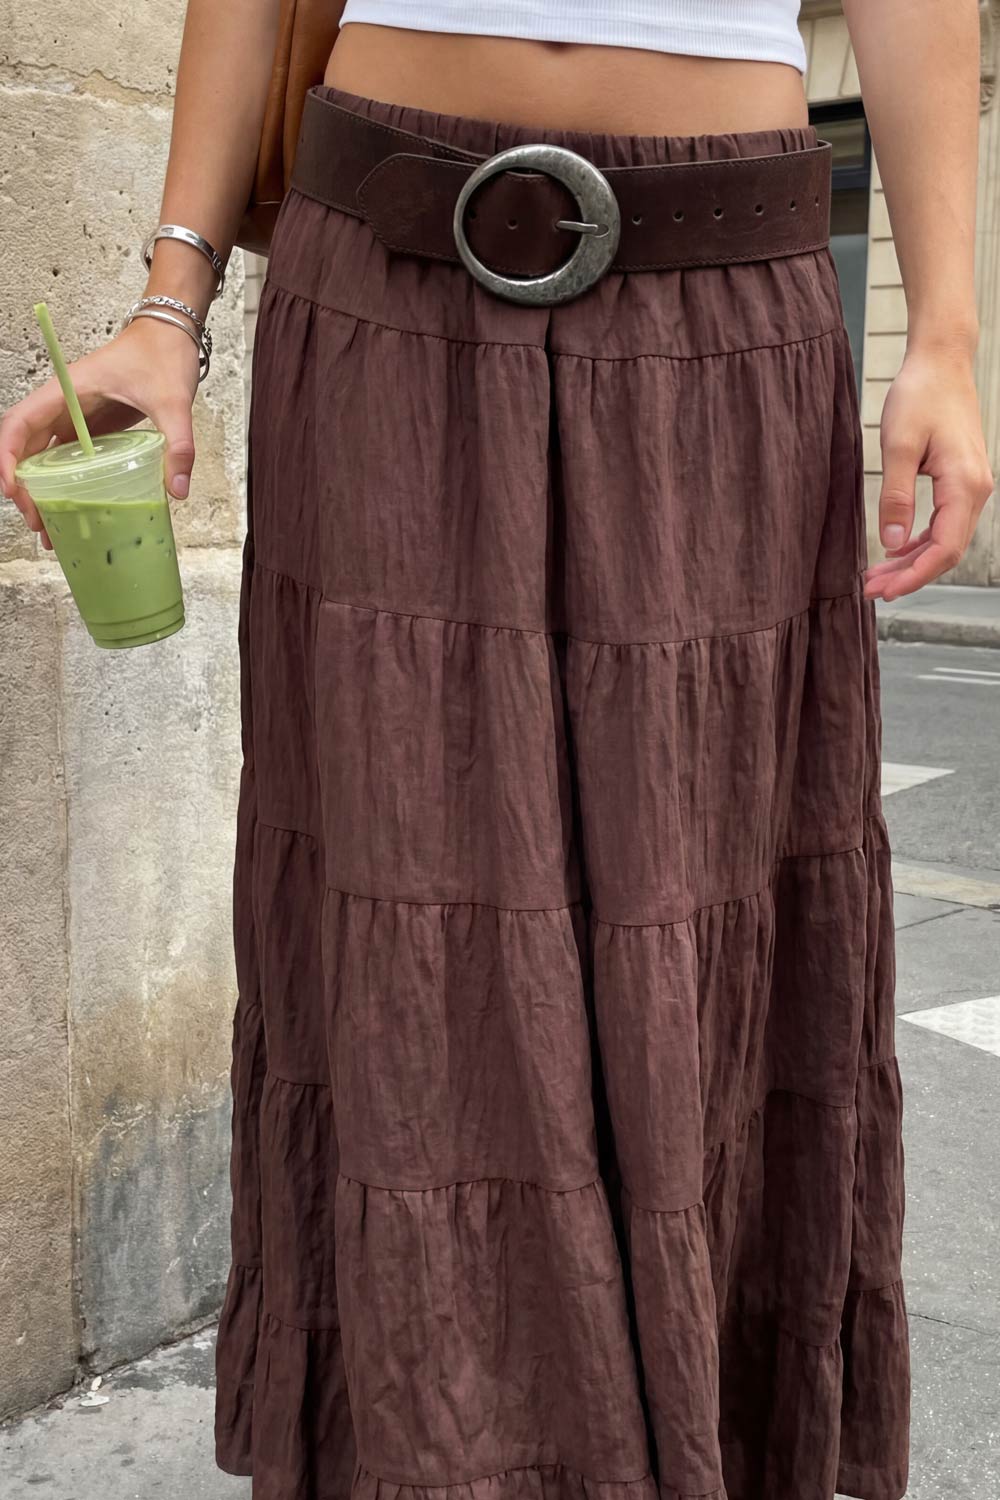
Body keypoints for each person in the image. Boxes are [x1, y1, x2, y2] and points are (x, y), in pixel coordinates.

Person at [0, 4, 993, 1498]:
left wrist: (948, 338)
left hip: (724, 297)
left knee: (699, 918)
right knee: (407, 927)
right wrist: (166, 305)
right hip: (382, 276)